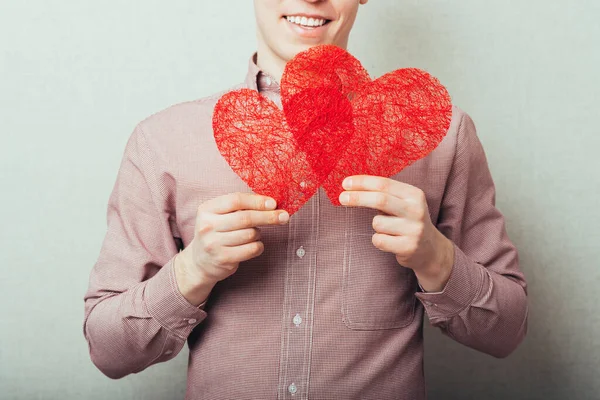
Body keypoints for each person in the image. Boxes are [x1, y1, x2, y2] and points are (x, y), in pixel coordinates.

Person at [83, 1, 528, 399]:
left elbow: (507, 333)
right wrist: (191, 271)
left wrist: (437, 259)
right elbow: (108, 351)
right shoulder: (163, 141)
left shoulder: (443, 140)